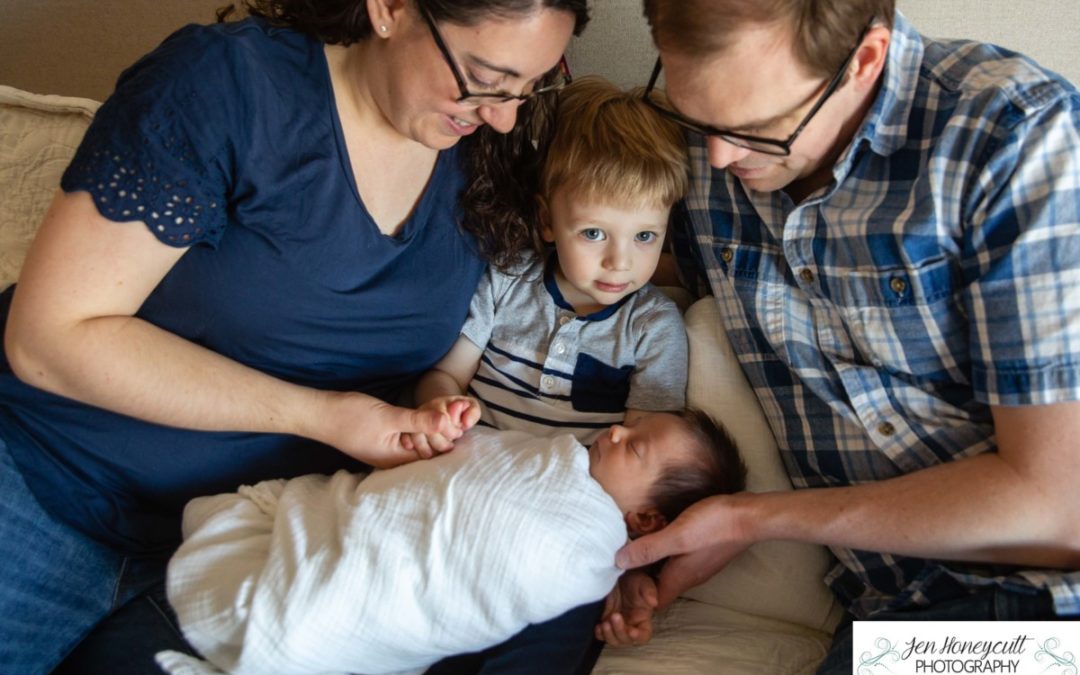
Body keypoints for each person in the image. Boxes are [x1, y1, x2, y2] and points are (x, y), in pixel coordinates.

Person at [0, 0, 592, 672]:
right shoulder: (226, 86)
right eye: (485, 77)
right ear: (389, 9)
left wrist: (431, 405)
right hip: (46, 479)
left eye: (528, 86)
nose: (503, 113)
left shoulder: (490, 155)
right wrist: (324, 416)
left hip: (252, 547)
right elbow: (51, 338)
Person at [599, 0, 1080, 670]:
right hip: (892, 627)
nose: (719, 155)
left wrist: (749, 518)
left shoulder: (1011, 134)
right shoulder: (708, 159)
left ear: (865, 61)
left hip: (1050, 611)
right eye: (697, 116)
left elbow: (1057, 509)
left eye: (758, 128)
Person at [156, 409, 746, 675]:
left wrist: (622, 585)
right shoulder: (557, 456)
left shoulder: (591, 553)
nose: (615, 431)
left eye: (635, 447)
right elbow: (475, 465)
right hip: (362, 525)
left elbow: (550, 564)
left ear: (644, 520)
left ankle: (310, 627)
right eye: (631, 425)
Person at [409, 75, 691, 456]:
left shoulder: (653, 327)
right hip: (473, 464)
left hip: (570, 489)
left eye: (644, 237)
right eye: (593, 233)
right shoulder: (508, 280)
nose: (620, 262)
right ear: (546, 221)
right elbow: (445, 375)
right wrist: (440, 407)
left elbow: (642, 450)